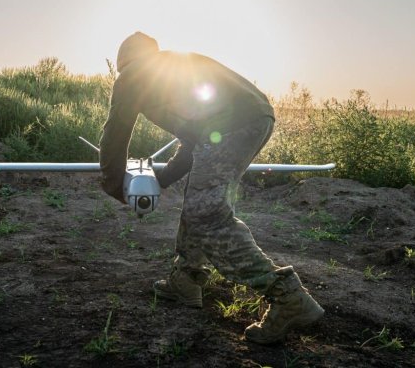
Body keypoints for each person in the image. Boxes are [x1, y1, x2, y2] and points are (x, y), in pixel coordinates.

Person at [99, 32, 324, 344]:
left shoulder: (133, 75)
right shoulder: (171, 68)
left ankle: (287, 296)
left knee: (207, 214)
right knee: (199, 200)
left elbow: (116, 132)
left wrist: (114, 184)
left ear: (123, 62)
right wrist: (161, 180)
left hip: (233, 126)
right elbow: (192, 142)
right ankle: (186, 278)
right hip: (253, 118)